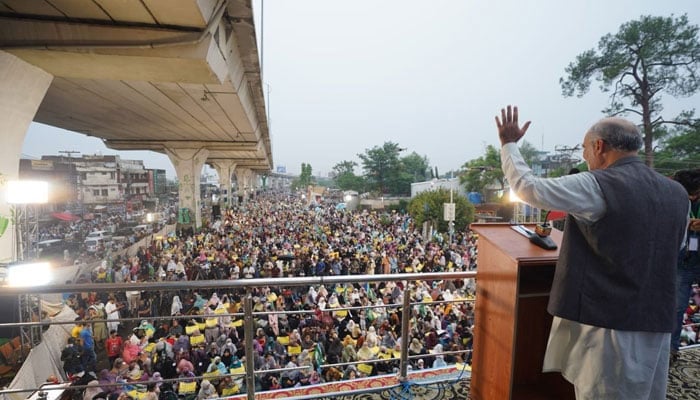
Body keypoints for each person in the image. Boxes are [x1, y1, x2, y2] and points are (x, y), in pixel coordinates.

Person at [495, 105, 689, 399]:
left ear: (600, 146)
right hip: (656, 322)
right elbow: (676, 246)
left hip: (609, 326)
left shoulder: (597, 184)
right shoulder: (677, 194)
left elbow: (527, 187)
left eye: (584, 149)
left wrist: (509, 144)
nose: (584, 157)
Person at [670, 168, 700, 363]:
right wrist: (686, 224)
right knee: (677, 306)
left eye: (696, 193)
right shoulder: (673, 199)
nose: (694, 197)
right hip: (684, 260)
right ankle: (671, 349)